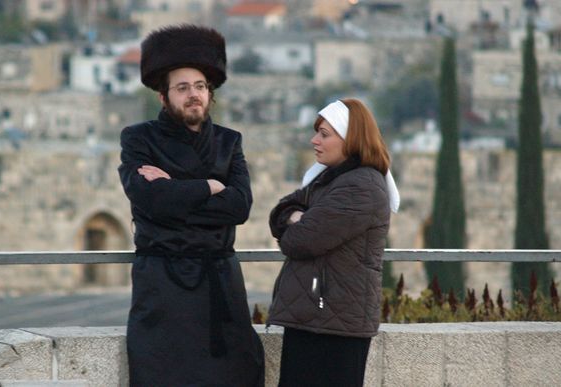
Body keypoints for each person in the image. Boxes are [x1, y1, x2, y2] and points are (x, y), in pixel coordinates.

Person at [118, 25, 264, 386]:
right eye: (182, 88)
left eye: (200, 87)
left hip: (220, 283)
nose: (193, 94)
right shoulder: (139, 139)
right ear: (164, 97)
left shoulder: (229, 142)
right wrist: (210, 187)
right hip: (163, 285)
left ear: (210, 94)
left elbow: (239, 207)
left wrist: (175, 191)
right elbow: (150, 200)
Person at [267, 98, 399, 387]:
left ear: (351, 139)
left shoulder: (360, 186)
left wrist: (298, 220)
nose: (314, 140)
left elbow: (298, 242)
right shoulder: (329, 180)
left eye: (325, 134)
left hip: (333, 327)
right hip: (317, 318)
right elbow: (280, 211)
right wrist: (296, 217)